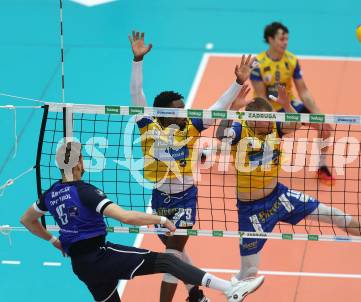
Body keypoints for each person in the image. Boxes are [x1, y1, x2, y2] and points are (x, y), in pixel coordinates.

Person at [20, 141, 264, 302]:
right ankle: (229, 289)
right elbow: (126, 217)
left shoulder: (50, 194)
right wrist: (160, 218)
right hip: (99, 256)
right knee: (168, 260)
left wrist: (54, 240)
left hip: (81, 266)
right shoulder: (85, 191)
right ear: (80, 162)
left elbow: (27, 220)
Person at [215, 87, 361, 282]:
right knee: (249, 272)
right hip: (252, 210)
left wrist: (286, 104)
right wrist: (232, 109)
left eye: (270, 120)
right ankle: (231, 287)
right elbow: (221, 135)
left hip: (279, 197)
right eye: (264, 121)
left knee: (335, 215)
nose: (269, 124)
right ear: (252, 119)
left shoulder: (274, 126)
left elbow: (295, 124)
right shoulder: (240, 129)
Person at [128, 30, 255, 302]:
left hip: (186, 198)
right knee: (179, 255)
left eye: (184, 108)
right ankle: (195, 293)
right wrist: (137, 60)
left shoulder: (191, 128)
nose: (184, 113)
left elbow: (218, 106)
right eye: (178, 109)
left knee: (172, 256)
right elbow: (136, 92)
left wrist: (237, 82)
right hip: (160, 200)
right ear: (163, 113)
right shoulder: (147, 127)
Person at [250, 21, 335, 185]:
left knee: (324, 127)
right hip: (265, 110)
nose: (285, 42)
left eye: (287, 39)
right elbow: (261, 97)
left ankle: (322, 165)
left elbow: (303, 91)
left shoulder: (291, 60)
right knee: (242, 142)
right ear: (270, 39)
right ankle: (210, 152)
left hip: (289, 106)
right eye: (282, 39)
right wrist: (271, 123)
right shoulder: (257, 63)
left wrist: (319, 114)